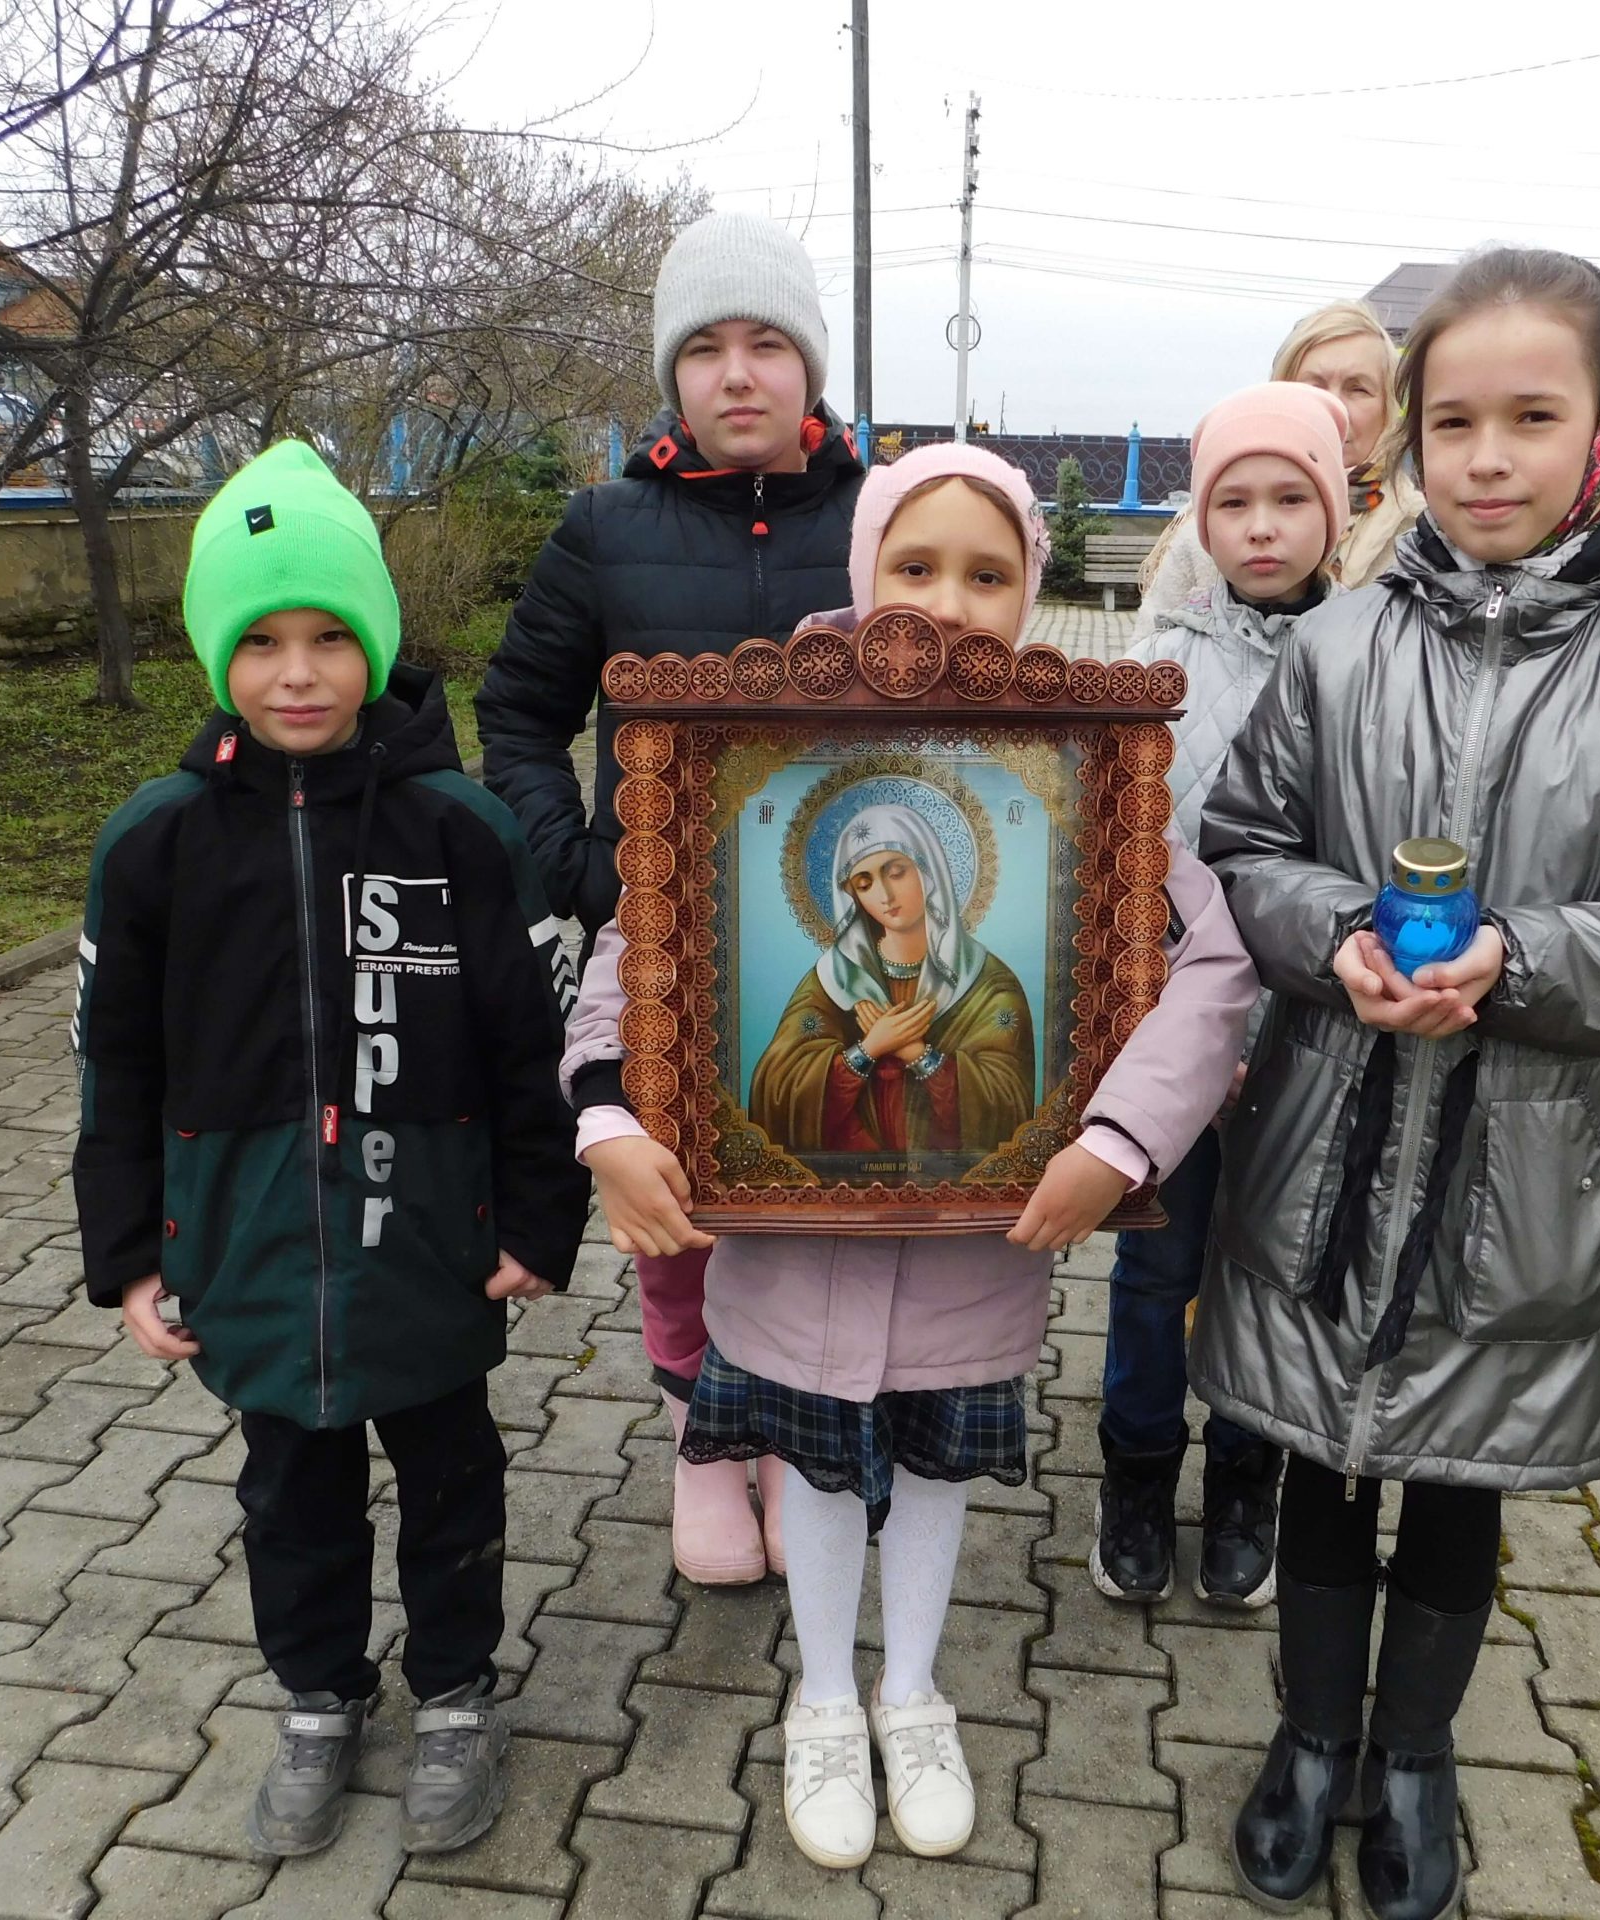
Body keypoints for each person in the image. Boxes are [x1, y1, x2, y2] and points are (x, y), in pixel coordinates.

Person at [565, 443, 1259, 1872]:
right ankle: (826, 1696)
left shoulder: (1073, 774)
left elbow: (1212, 963)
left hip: (970, 1251)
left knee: (937, 1469)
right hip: (791, 1250)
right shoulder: (752, 741)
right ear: (862, 574)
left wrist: (1113, 1136)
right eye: (915, 565)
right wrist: (613, 1114)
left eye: (988, 575)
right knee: (818, 1471)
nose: (947, 603)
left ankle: (914, 1690)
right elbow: (648, 950)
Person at [1194, 249, 1600, 1919]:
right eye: (1453, 421)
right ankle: (1312, 1734)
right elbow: (1246, 845)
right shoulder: (1337, 648)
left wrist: (1519, 959)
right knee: (1326, 1451)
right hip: (1330, 1138)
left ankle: (1414, 1756)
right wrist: (1337, 940)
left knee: (1461, 1475)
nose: (1489, 458)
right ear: (1408, 439)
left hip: (1533, 1170)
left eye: (1534, 416)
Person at [71, 440, 591, 1864]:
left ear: (374, 642)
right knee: (290, 1497)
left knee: (452, 1481)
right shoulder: (154, 844)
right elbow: (113, 1070)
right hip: (245, 1247)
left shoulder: (465, 831)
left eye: (328, 637)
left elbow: (532, 1049)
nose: (297, 674)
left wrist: (537, 1221)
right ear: (215, 654)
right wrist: (129, 1254)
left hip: (424, 1237)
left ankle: (455, 1693)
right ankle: (318, 1697)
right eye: (261, 642)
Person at [479, 209, 867, 1590]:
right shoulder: (605, 529)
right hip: (664, 950)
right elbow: (518, 714)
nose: (737, 373)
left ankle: (797, 1440)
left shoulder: (876, 516)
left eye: (767, 342)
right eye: (705, 347)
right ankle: (704, 1441)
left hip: (841, 940)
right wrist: (587, 865)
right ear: (671, 374)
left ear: (810, 364)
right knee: (677, 1212)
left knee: (818, 1192)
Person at [1094, 380, 1353, 1613]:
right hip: (1174, 1047)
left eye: (1288, 498)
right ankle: (1135, 1479)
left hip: (1309, 1047)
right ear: (1199, 518)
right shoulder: (1158, 666)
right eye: (1232, 500)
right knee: (1155, 1277)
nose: (1259, 525)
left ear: (1333, 513)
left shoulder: (1367, 665)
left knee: (1269, 1277)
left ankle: (1247, 1486)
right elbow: (1115, 860)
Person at [746, 801, 1037, 1157]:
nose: (884, 896)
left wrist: (914, 1051)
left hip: (944, 1178)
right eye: (864, 884)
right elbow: (777, 1092)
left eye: (896, 872)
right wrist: (869, 1049)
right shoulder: (834, 980)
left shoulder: (989, 985)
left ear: (928, 870)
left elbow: (1008, 1101)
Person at [1136, 300, 1425, 625]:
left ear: (1388, 407)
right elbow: (1152, 646)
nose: (1335, 406)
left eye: (1358, 389)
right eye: (1313, 387)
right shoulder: (1204, 532)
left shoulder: (1419, 535)